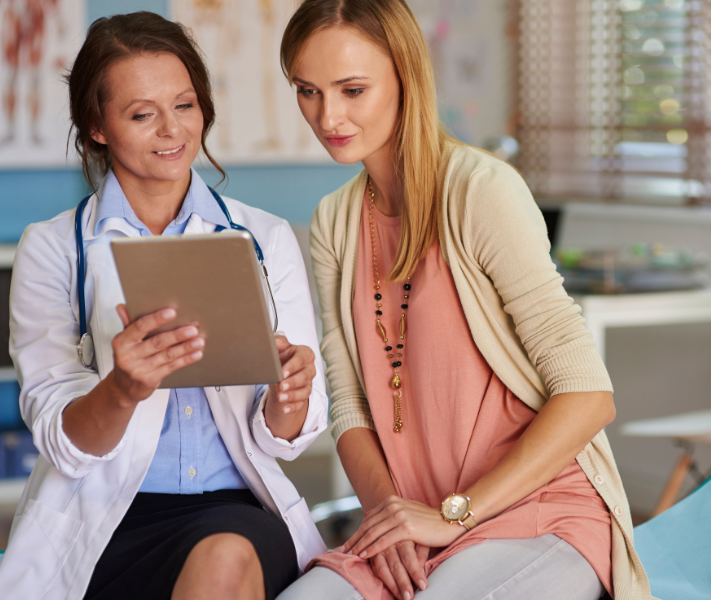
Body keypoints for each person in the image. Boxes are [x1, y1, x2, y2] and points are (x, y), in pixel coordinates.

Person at [276, 1, 652, 599]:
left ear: (405, 74)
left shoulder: (481, 190)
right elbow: (349, 403)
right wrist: (393, 521)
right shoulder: (335, 221)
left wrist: (455, 514)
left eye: (352, 89)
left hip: (538, 509)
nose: (329, 116)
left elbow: (588, 394)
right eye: (308, 91)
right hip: (413, 519)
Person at [0, 12, 328, 600]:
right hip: (99, 519)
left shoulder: (265, 239)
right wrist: (122, 386)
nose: (172, 131)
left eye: (186, 105)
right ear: (97, 127)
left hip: (237, 511)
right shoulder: (53, 249)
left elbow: (286, 439)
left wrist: (291, 395)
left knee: (224, 558)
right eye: (142, 114)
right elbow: (62, 440)